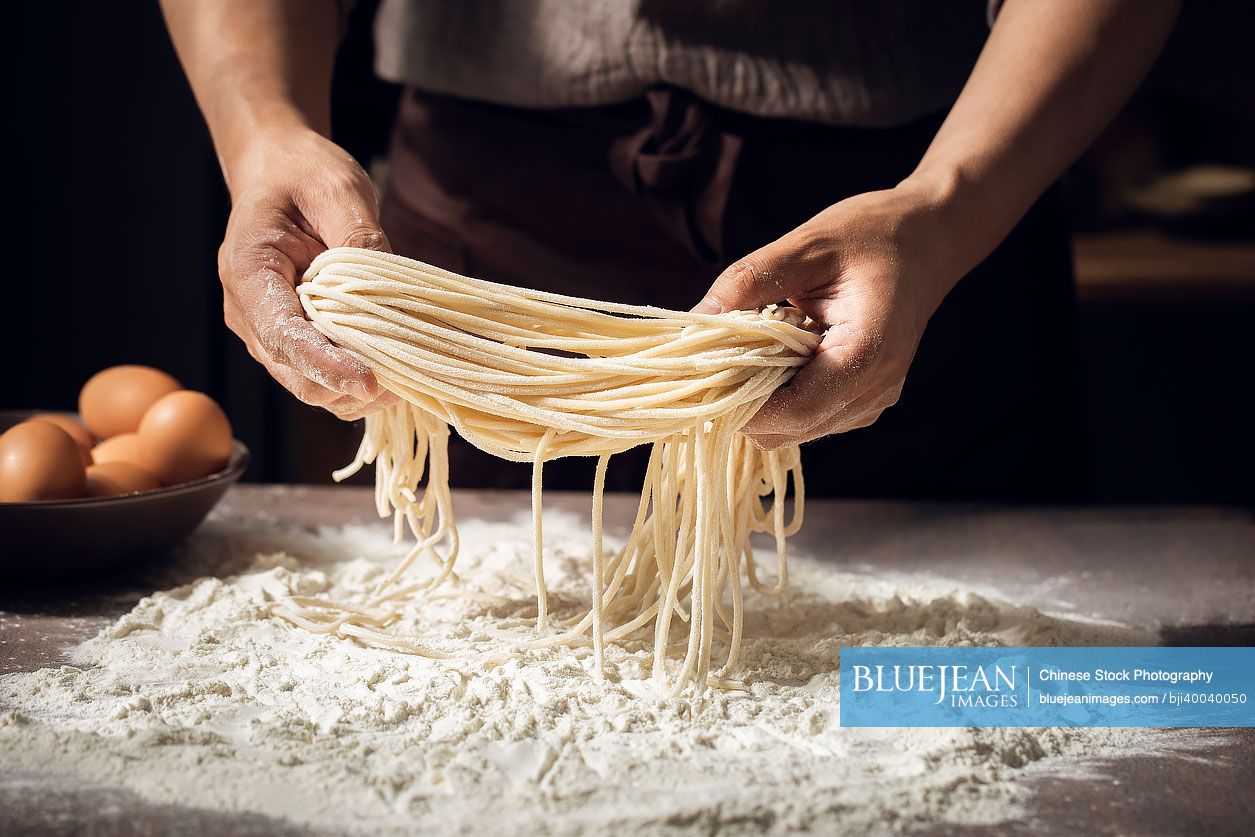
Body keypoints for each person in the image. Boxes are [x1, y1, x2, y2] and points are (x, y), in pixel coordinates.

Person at [160, 0, 1181, 500]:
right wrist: (265, 130)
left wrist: (947, 203)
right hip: (475, 249)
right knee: (484, 712)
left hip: (920, 207)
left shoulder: (935, 210)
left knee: (955, 705)